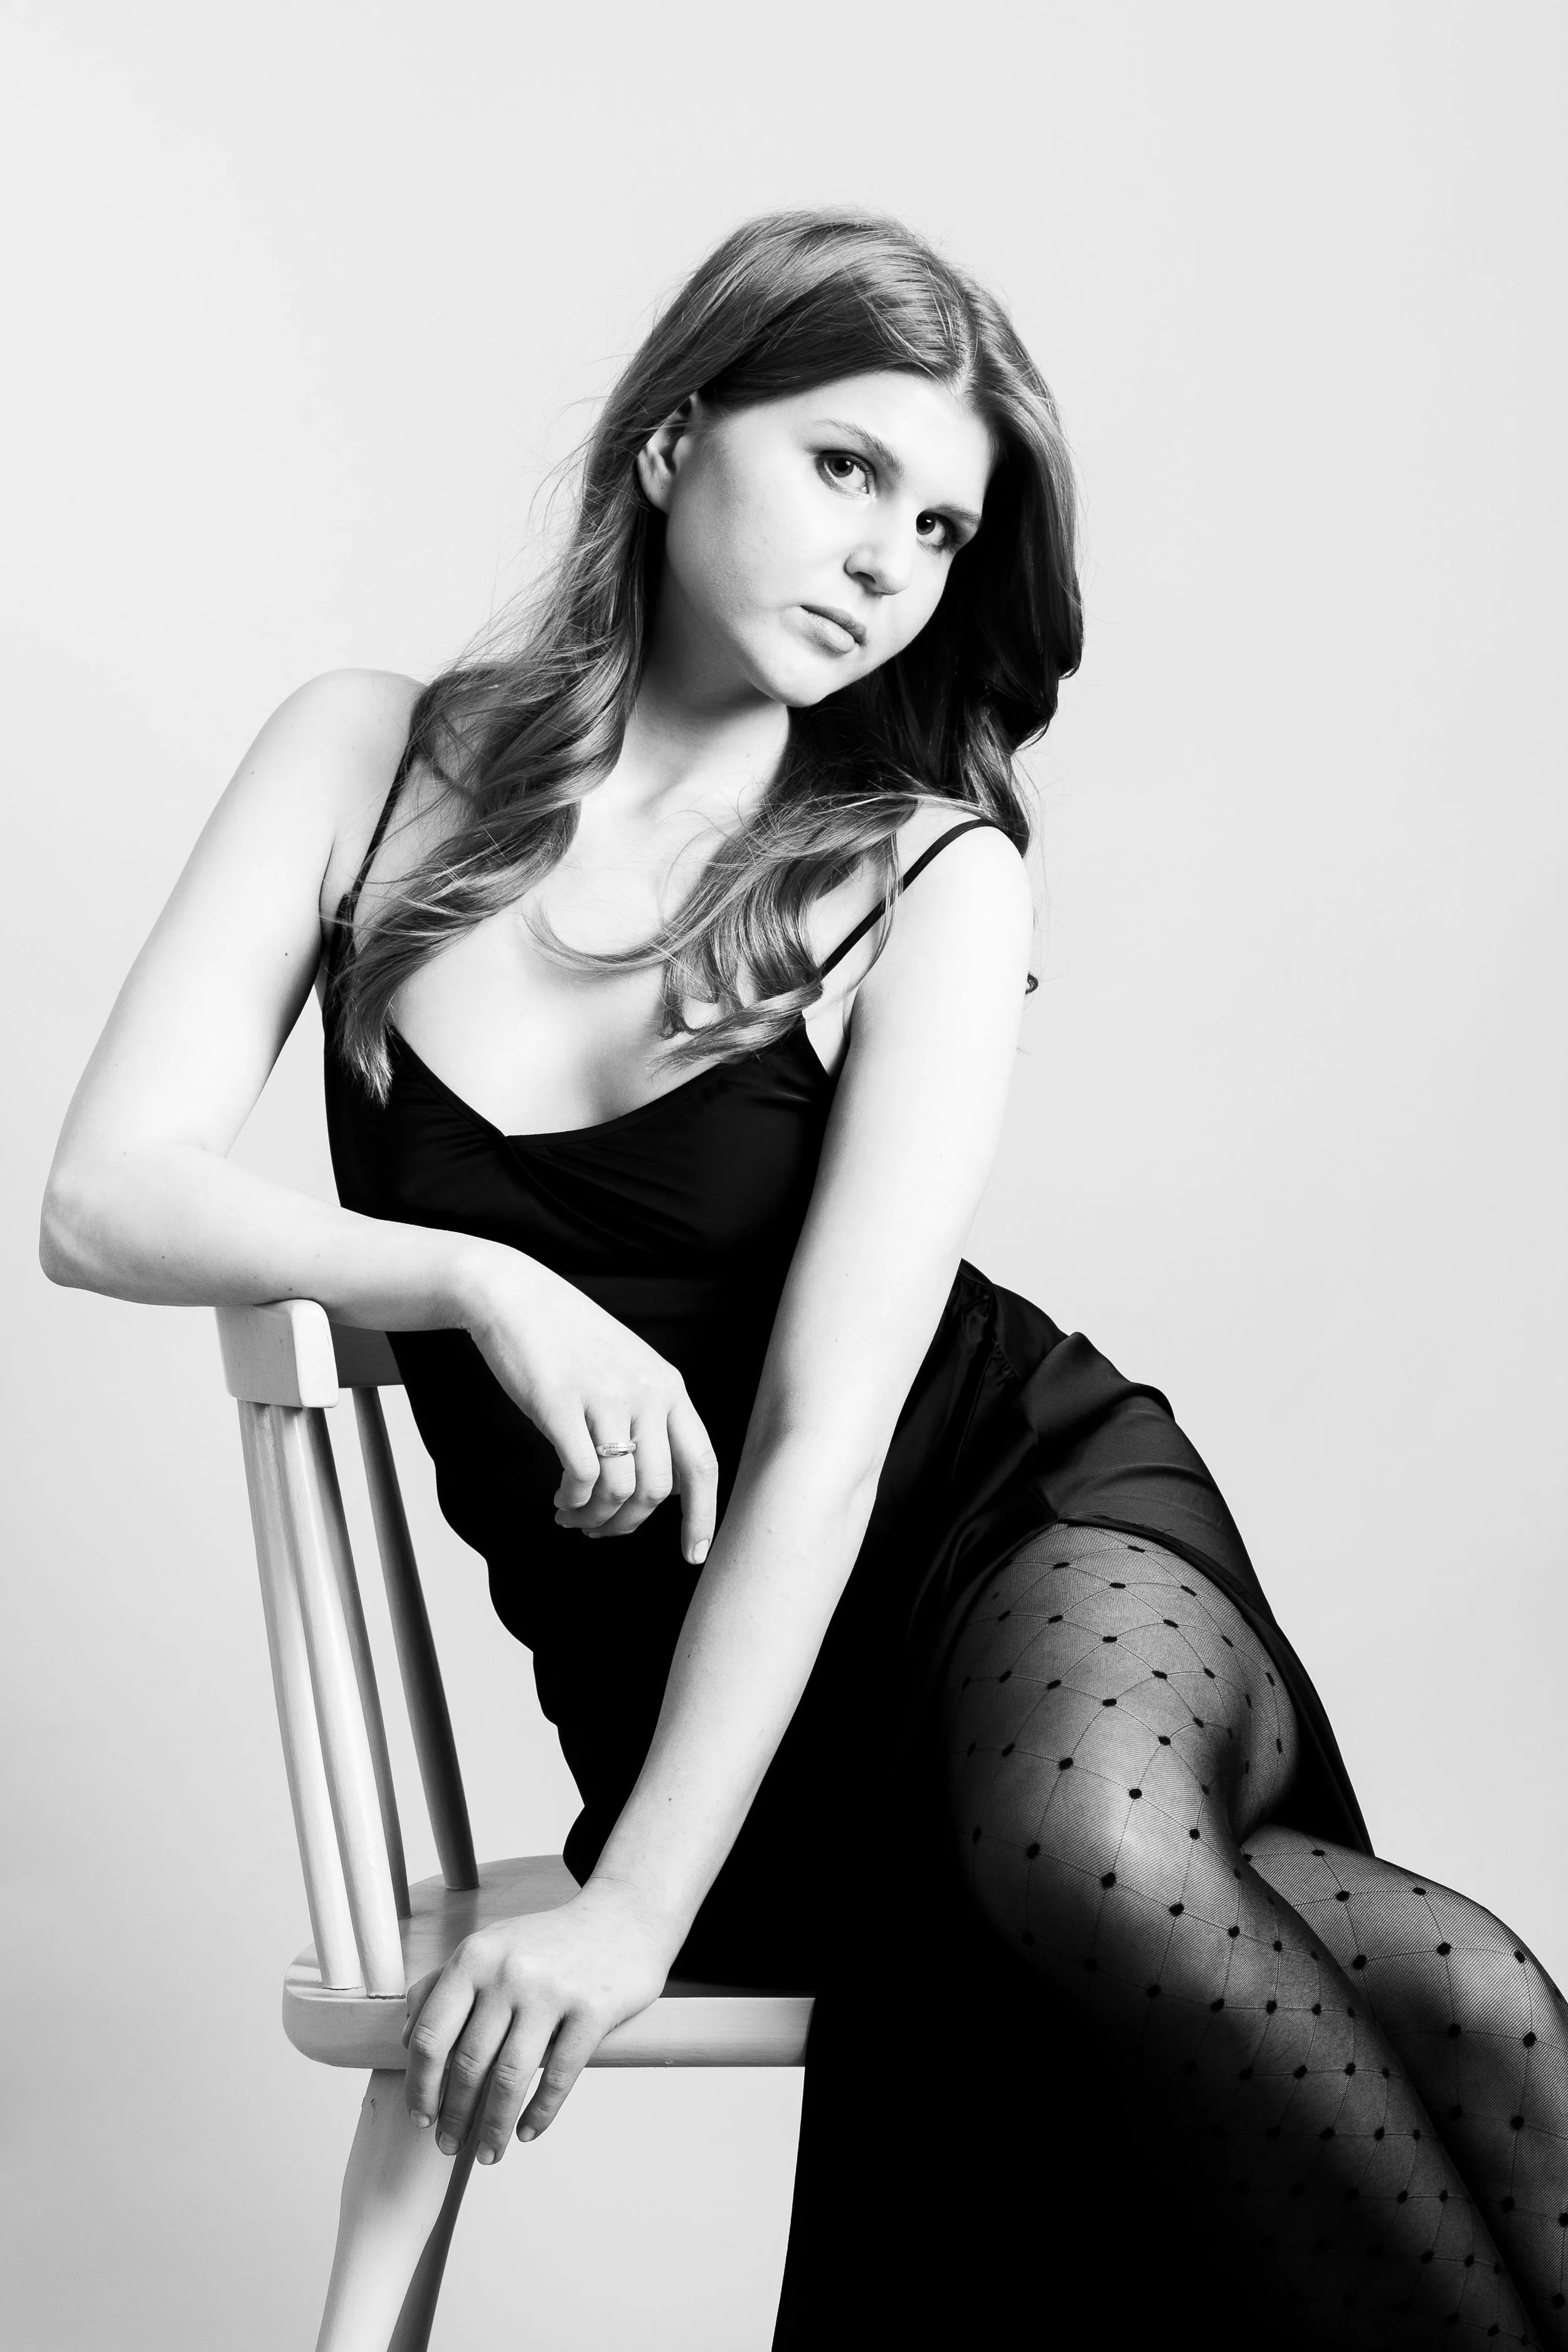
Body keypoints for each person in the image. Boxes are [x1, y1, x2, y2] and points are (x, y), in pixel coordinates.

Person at [41, 209, 1566, 2349]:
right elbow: (101, 1193)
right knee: (1440, 1995)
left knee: (1087, 1851)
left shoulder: (925, 863)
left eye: (939, 527)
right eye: (846, 466)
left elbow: (825, 1429)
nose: (885, 559)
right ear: (675, 437)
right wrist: (480, 1276)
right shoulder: (365, 755)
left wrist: (628, 1912)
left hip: (1017, 1535)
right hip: (712, 1709)